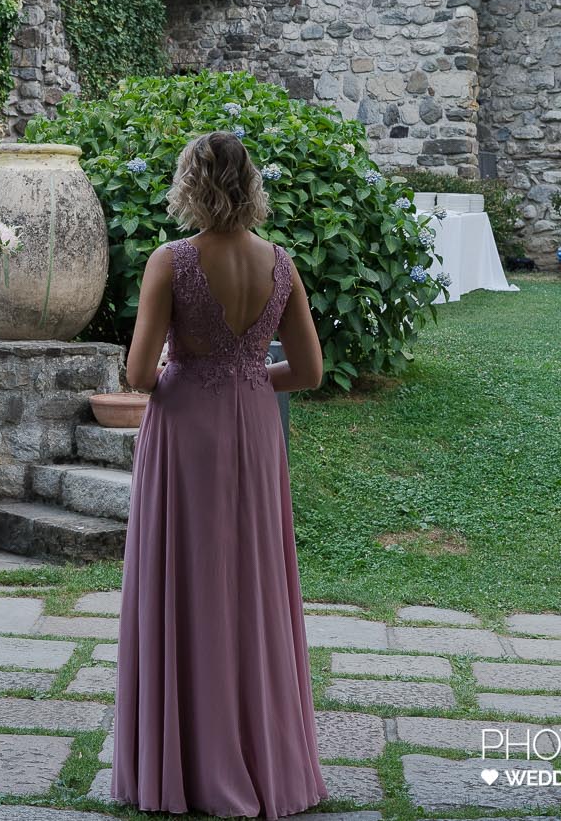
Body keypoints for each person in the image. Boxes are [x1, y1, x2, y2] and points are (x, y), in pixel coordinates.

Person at [113, 131, 329, 819]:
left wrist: (194, 365)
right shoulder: (282, 263)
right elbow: (311, 371)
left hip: (186, 434)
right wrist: (248, 375)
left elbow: (140, 374)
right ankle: (260, 756)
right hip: (255, 425)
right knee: (252, 585)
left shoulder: (171, 261)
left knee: (188, 581)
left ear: (190, 184)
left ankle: (186, 763)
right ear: (251, 183)